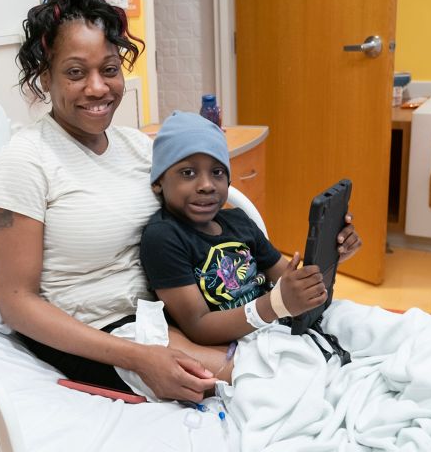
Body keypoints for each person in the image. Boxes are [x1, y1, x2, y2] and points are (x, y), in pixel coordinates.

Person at [0, 0, 227, 402]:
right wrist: (138, 357)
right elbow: (17, 302)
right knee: (251, 377)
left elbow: (217, 215)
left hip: (167, 312)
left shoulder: (138, 147)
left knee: (287, 348)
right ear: (45, 77)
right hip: (101, 334)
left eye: (109, 69)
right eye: (76, 72)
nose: (98, 88)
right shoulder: (23, 163)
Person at [140, 111, 362, 347]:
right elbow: (198, 325)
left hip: (279, 325)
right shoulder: (163, 237)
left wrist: (332, 252)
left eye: (217, 172)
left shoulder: (239, 221)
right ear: (158, 182)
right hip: (242, 347)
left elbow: (285, 277)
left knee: (375, 327)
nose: (206, 185)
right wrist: (275, 304)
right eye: (188, 173)